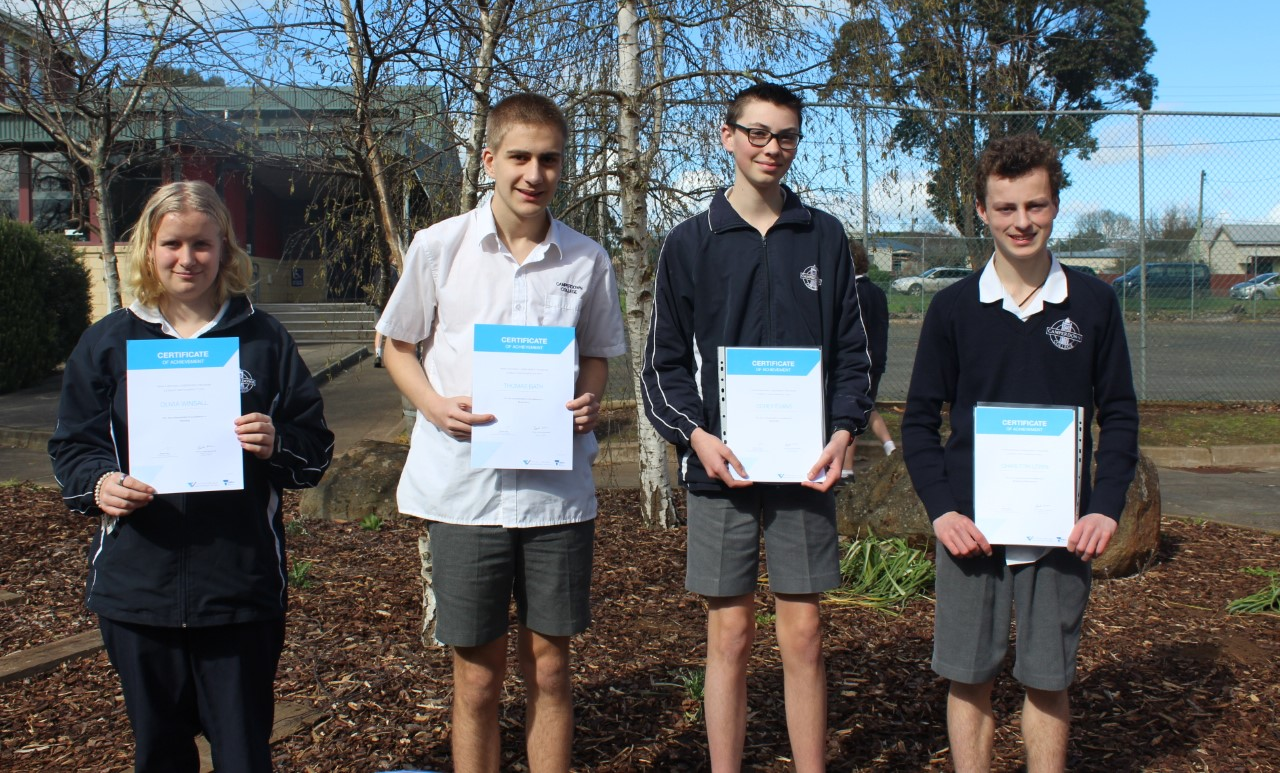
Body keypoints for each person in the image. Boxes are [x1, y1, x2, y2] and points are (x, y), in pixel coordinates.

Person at [376, 93, 625, 773]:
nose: (533, 173)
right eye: (519, 156)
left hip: (555, 496)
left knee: (550, 668)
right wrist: (432, 404)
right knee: (478, 675)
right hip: (466, 492)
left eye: (549, 159)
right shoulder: (440, 246)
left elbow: (597, 352)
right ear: (489, 159)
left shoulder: (586, 259)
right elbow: (396, 344)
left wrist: (590, 398)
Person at [49, 180, 334, 773]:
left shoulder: (263, 341)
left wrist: (277, 442)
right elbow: (73, 446)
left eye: (202, 244)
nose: (187, 259)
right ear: (148, 250)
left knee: (243, 755)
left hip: (239, 588)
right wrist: (100, 484)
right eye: (172, 243)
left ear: (225, 250)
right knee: (159, 754)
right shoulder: (109, 342)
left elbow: (314, 450)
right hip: (138, 590)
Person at [641, 82, 872, 772]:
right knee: (732, 634)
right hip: (723, 469)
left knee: (803, 634)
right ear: (727, 135)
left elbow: (854, 355)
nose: (772, 148)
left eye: (787, 136)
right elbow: (662, 365)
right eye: (758, 133)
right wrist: (697, 437)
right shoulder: (690, 242)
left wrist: (843, 430)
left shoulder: (824, 237)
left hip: (805, 468)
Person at [901, 132, 1139, 772]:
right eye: (1006, 209)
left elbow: (1118, 415)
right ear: (981, 211)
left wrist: (1106, 506)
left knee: (1048, 678)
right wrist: (942, 511)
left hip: (1060, 530)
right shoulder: (952, 309)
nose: (1021, 222)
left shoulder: (1092, 302)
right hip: (970, 530)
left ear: (1056, 204)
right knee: (968, 675)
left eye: (1035, 206)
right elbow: (920, 422)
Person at [840, 240, 896, 483]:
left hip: (859, 360)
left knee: (852, 409)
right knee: (866, 405)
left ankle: (847, 470)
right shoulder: (876, 292)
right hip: (877, 359)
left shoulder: (851, 292)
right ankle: (890, 446)